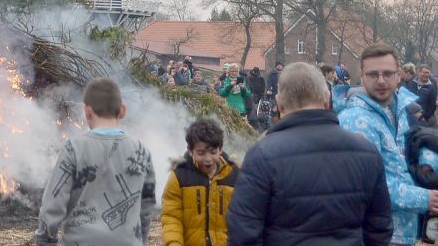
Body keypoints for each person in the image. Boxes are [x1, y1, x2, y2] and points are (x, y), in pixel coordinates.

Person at [227, 62, 392, 245]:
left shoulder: (261, 156)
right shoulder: (367, 153)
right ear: (327, 98)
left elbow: (243, 234)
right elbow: (380, 227)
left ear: (279, 103)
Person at [336, 43, 438, 246]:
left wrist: (428, 163)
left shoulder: (399, 110)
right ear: (361, 75)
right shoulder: (355, 119)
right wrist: (424, 198)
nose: (381, 80)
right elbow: (365, 185)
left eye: (388, 73)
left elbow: (401, 160)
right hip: (375, 234)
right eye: (373, 74)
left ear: (399, 74)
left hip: (402, 231)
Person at [36, 77, 156, 246]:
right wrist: (141, 240)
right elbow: (146, 205)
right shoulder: (141, 151)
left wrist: (45, 242)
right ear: (122, 111)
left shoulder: (73, 148)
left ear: (87, 111)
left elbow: (53, 205)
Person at [161, 118, 238, 246]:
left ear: (220, 149)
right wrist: (173, 242)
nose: (208, 159)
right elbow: (171, 217)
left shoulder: (234, 175)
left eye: (213, 152)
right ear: (191, 151)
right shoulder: (179, 176)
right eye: (201, 153)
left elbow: (243, 217)